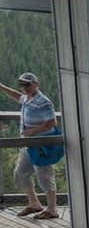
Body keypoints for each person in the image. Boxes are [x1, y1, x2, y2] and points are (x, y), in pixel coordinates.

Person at [0, 73, 59, 219]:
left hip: (41, 144)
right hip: (28, 144)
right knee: (20, 173)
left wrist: (32, 131)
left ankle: (52, 209)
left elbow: (52, 123)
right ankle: (34, 203)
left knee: (44, 176)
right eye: (22, 85)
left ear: (35, 84)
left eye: (27, 84)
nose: (24, 88)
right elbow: (16, 96)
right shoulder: (27, 98)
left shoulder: (44, 102)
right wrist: (1, 87)